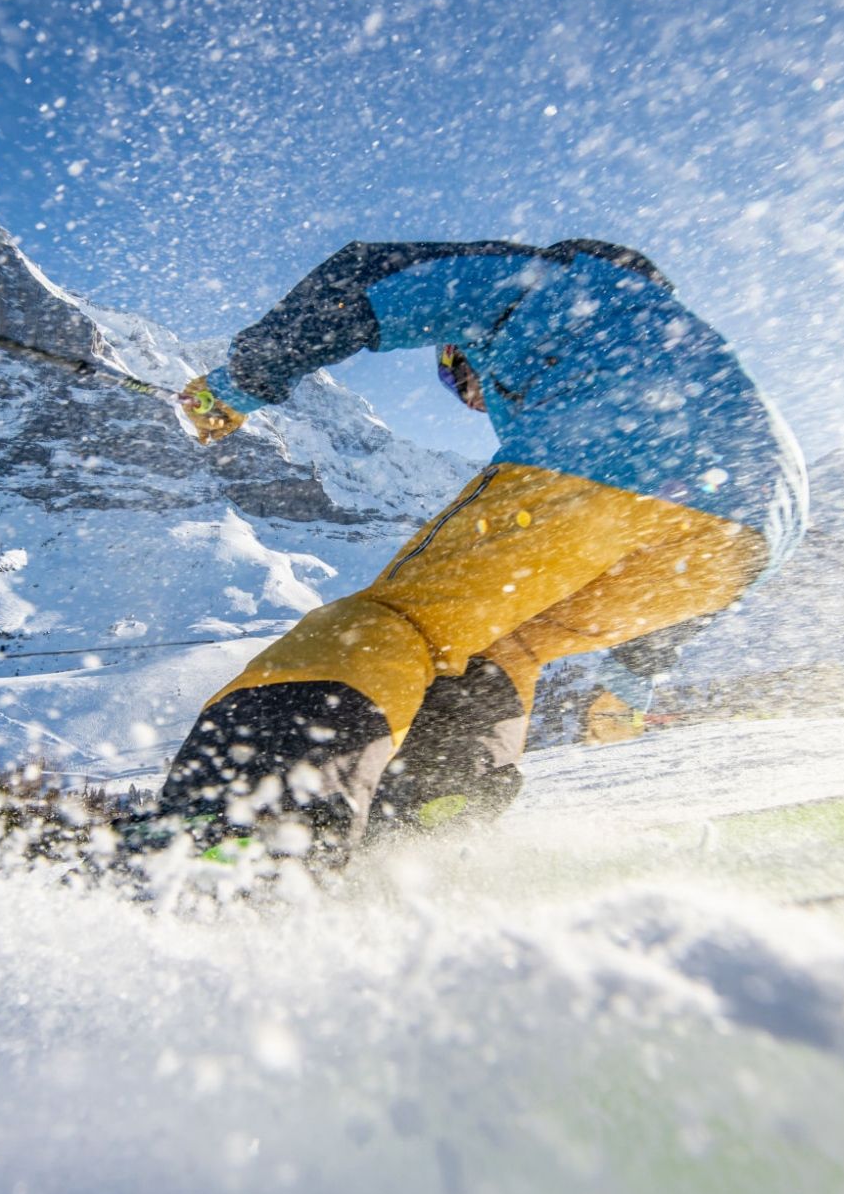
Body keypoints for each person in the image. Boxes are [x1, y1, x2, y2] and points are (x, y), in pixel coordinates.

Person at [153, 238, 806, 859]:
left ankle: (243, 825)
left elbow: (362, 280)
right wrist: (628, 685)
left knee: (400, 625)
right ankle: (430, 827)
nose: (466, 396)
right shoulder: (684, 341)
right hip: (747, 534)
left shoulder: (553, 281)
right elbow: (681, 540)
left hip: (609, 461)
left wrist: (233, 387)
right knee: (505, 640)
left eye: (452, 368)